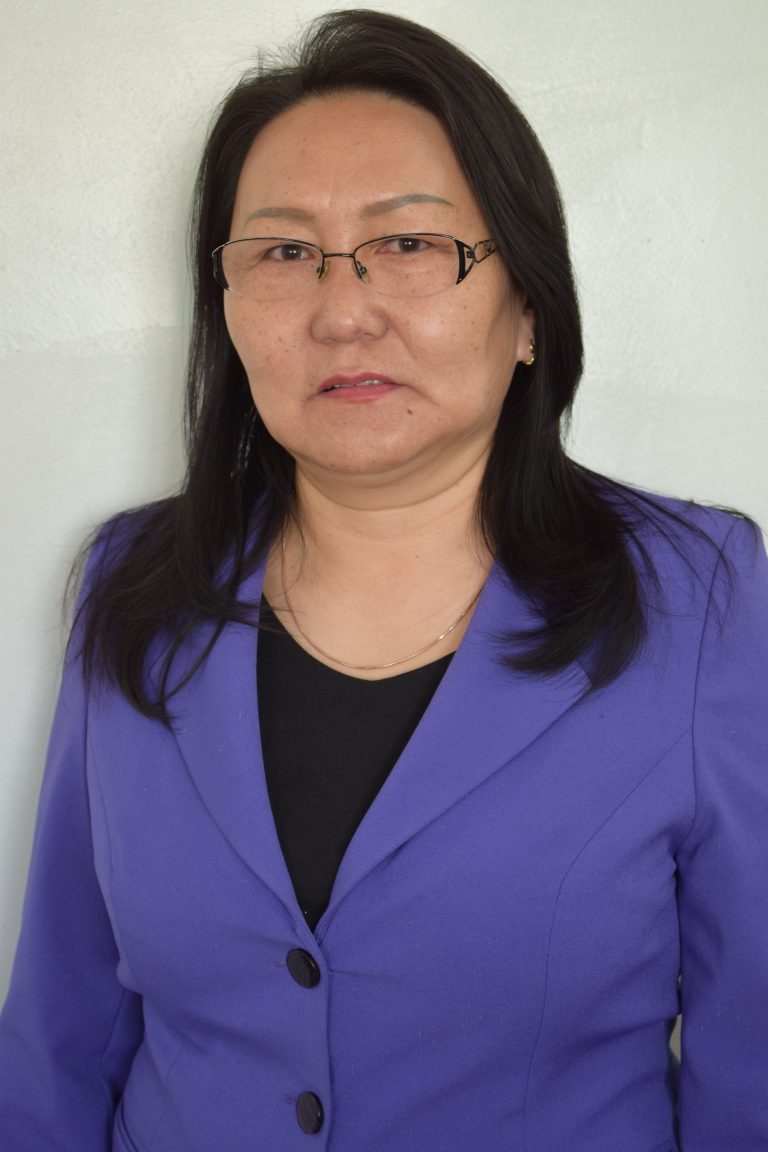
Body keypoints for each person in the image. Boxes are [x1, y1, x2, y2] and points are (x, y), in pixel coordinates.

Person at [1, 8, 766, 1150]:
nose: (342, 311)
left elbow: (752, 1058)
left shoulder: (695, 598)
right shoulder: (136, 584)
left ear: (528, 310)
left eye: (408, 244)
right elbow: (58, 1037)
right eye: (283, 253)